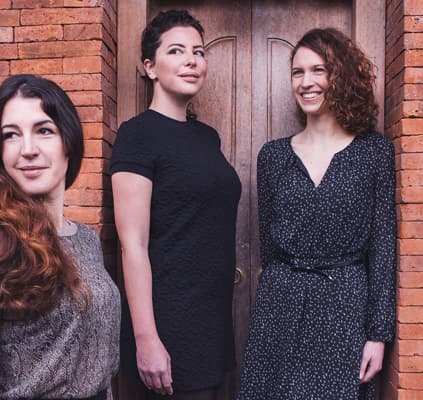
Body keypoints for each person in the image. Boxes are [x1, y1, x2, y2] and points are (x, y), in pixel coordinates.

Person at [239, 28, 396, 399]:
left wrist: (378, 335)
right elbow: (269, 248)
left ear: (341, 76)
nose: (305, 82)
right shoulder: (273, 156)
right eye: (298, 72)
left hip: (345, 306)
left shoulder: (374, 152)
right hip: (279, 307)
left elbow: (383, 246)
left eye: (318, 70)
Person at [0, 74, 120, 400]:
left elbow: (98, 365)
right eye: (11, 135)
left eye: (44, 130)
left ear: (68, 141)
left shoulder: (87, 239)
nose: (28, 150)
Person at [110, 10, 241, 400]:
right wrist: (146, 339)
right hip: (167, 323)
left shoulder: (207, 138)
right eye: (176, 51)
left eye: (198, 52)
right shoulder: (137, 135)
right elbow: (132, 245)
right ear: (150, 67)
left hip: (210, 319)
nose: (191, 60)